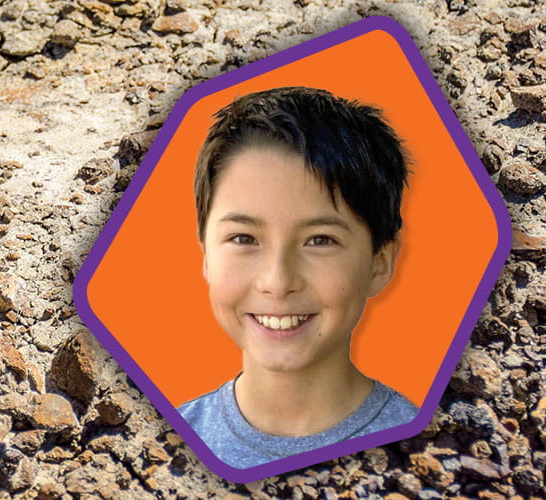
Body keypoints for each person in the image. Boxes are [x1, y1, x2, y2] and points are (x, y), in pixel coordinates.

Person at [177, 86, 419, 469]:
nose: (277, 281)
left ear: (380, 262)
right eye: (244, 238)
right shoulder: (163, 442)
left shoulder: (429, 450)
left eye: (320, 240)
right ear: (205, 253)